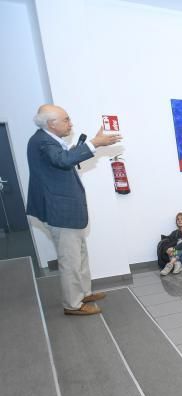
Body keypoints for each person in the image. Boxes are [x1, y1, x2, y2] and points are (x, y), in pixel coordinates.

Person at [25, 104, 121, 315]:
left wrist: (90, 145)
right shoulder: (43, 142)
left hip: (67, 210)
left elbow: (63, 160)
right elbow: (63, 160)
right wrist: (94, 144)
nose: (71, 123)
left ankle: (83, 293)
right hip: (60, 210)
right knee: (70, 260)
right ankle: (73, 304)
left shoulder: (47, 139)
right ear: (52, 123)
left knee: (79, 254)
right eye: (66, 119)